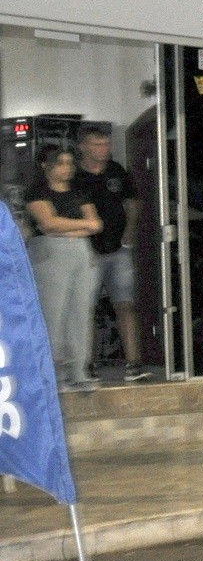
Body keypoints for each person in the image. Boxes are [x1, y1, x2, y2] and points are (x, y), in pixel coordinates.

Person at [24, 145, 103, 393]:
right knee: (53, 313)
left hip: (81, 251)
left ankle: (78, 371)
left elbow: (97, 224)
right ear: (46, 166)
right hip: (49, 252)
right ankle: (52, 375)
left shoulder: (80, 192)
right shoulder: (36, 192)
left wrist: (75, 228)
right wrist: (83, 225)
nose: (67, 168)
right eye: (60, 163)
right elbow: (48, 223)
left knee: (81, 313)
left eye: (70, 162)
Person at [72, 128, 148, 381]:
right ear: (83, 147)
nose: (104, 149)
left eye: (106, 144)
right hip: (87, 251)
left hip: (119, 249)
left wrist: (131, 228)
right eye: (97, 144)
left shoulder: (116, 170)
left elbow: (133, 201)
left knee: (125, 304)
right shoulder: (75, 175)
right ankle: (87, 364)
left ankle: (133, 364)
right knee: (86, 308)